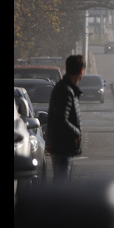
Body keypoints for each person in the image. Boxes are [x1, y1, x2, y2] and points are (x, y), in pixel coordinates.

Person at [46, 54, 85, 182]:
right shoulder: (66, 91)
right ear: (81, 71)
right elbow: (61, 120)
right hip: (63, 146)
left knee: (60, 181)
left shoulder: (63, 88)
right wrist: (77, 133)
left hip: (61, 145)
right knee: (62, 183)